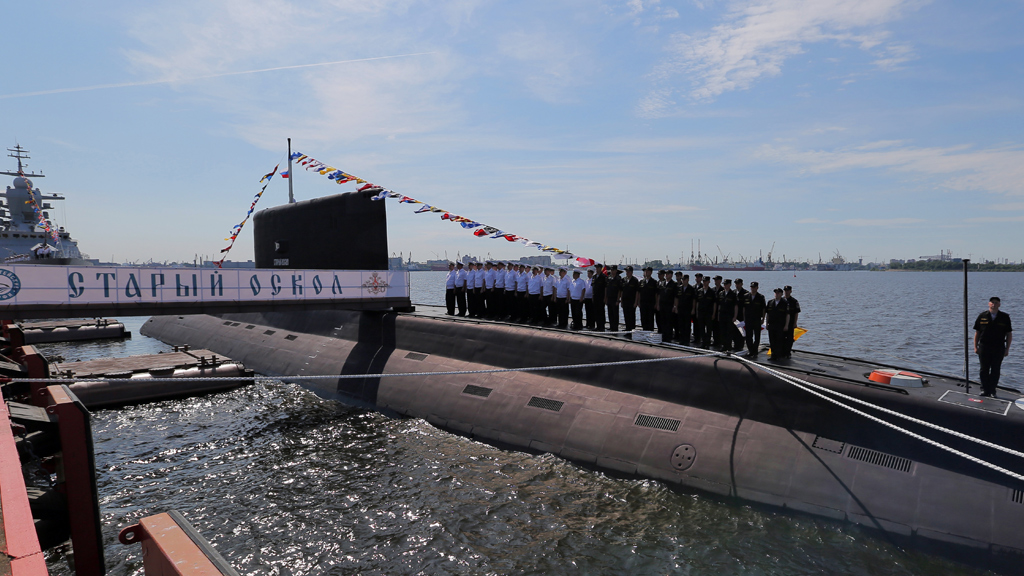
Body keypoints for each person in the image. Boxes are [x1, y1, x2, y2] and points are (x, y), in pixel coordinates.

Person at [974, 297, 1012, 397]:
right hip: (984, 346)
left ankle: (992, 390)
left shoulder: (1004, 317)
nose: (994, 304)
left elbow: (1009, 334)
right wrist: (975, 347)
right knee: (984, 369)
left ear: (999, 304)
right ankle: (984, 389)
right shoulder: (982, 316)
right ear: (989, 304)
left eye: (996, 303)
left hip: (998, 347)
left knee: (995, 369)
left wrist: (1007, 349)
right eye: (992, 302)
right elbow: (977, 333)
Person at [743, 281, 766, 357]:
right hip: (748, 319)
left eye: (754, 287)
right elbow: (743, 308)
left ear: (757, 288)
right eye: (752, 287)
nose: (753, 289)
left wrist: (763, 319)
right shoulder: (746, 296)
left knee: (757, 336)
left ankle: (755, 351)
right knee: (748, 336)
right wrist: (744, 318)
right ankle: (750, 350)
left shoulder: (761, 297)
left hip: (757, 319)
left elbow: (763, 309)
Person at [766, 288, 790, 360]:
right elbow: (768, 314)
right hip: (772, 324)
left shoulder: (785, 303)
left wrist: (786, 325)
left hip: (780, 325)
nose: (776, 294)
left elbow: (787, 315)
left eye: (778, 293)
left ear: (781, 294)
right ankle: (773, 355)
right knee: (772, 340)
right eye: (775, 293)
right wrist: (766, 324)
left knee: (779, 340)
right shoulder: (770, 302)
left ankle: (779, 355)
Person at [716, 279, 738, 351]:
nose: (725, 286)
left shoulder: (733, 294)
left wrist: (735, 316)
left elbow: (735, 306)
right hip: (722, 314)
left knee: (729, 331)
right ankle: (723, 345)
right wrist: (718, 315)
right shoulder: (721, 293)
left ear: (730, 285)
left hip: (729, 315)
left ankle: (728, 346)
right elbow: (719, 305)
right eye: (724, 284)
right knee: (722, 331)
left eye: (726, 284)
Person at [674, 273, 696, 344]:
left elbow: (693, 300)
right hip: (680, 309)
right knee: (681, 324)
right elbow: (676, 298)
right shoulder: (679, 288)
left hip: (688, 309)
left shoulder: (691, 289)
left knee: (687, 325)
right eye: (683, 279)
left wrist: (693, 309)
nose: (683, 281)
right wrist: (676, 307)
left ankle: (687, 340)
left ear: (688, 280)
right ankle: (682, 339)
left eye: (685, 280)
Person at [696, 276, 717, 348]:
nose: (705, 283)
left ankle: (707, 343)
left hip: (709, 313)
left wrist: (713, 314)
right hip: (701, 312)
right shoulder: (699, 291)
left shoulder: (712, 292)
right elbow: (697, 303)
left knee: (708, 329)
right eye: (704, 281)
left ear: (709, 282)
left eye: (706, 281)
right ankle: (703, 342)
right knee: (701, 328)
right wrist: (697, 312)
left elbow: (714, 304)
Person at [656, 270, 676, 341]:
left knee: (669, 322)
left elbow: (675, 297)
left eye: (667, 274)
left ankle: (668, 337)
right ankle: (663, 336)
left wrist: (674, 306)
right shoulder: (662, 283)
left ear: (671, 275)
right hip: (662, 305)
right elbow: (659, 295)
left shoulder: (674, 284)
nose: (666, 275)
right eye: (665, 274)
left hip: (669, 305)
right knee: (662, 321)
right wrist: (658, 304)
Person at [782, 285, 800, 358]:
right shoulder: (781, 300)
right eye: (785, 291)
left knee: (790, 338)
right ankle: (782, 351)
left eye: (788, 291)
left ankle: (788, 352)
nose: (786, 292)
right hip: (782, 323)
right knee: (781, 338)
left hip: (791, 323)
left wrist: (795, 323)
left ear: (790, 291)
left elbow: (796, 313)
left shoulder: (794, 301)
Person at [638, 267, 658, 332]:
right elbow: (639, 293)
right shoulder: (641, 282)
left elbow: (656, 294)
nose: (646, 273)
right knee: (643, 318)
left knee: (650, 318)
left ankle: (650, 331)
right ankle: (644, 330)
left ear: (651, 272)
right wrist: (638, 302)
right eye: (646, 271)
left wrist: (656, 303)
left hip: (651, 303)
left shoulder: (654, 282)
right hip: (643, 302)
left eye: (648, 271)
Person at [621, 266, 640, 331]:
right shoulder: (624, 280)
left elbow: (637, 292)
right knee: (626, 315)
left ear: (631, 272)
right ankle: (627, 328)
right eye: (626, 271)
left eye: (628, 271)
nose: (627, 273)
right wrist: (621, 301)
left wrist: (636, 302)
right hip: (625, 300)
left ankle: (632, 329)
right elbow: (622, 291)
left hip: (632, 301)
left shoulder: (635, 280)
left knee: (631, 315)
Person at [591, 263, 607, 331]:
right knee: (596, 312)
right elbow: (593, 287)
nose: (597, 269)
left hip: (601, 297)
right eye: (596, 268)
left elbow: (606, 288)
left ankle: (602, 326)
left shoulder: (603, 277)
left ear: (601, 268)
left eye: (598, 268)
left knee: (601, 312)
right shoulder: (594, 277)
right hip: (595, 297)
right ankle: (597, 326)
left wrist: (605, 298)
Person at [606, 266, 622, 332]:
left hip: (615, 298)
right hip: (609, 298)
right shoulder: (609, 278)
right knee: (610, 313)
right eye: (611, 270)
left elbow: (620, 290)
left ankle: (615, 327)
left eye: (613, 270)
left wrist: (618, 299)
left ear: (616, 271)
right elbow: (606, 289)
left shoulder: (618, 279)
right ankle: (611, 326)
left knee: (615, 313)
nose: (612, 271)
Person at [734, 279, 749, 351]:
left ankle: (740, 346)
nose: (737, 285)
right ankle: (735, 345)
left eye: (738, 283)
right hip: (734, 315)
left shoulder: (745, 293)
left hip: (741, 315)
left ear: (741, 284)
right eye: (736, 283)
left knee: (742, 332)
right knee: (734, 331)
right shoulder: (733, 292)